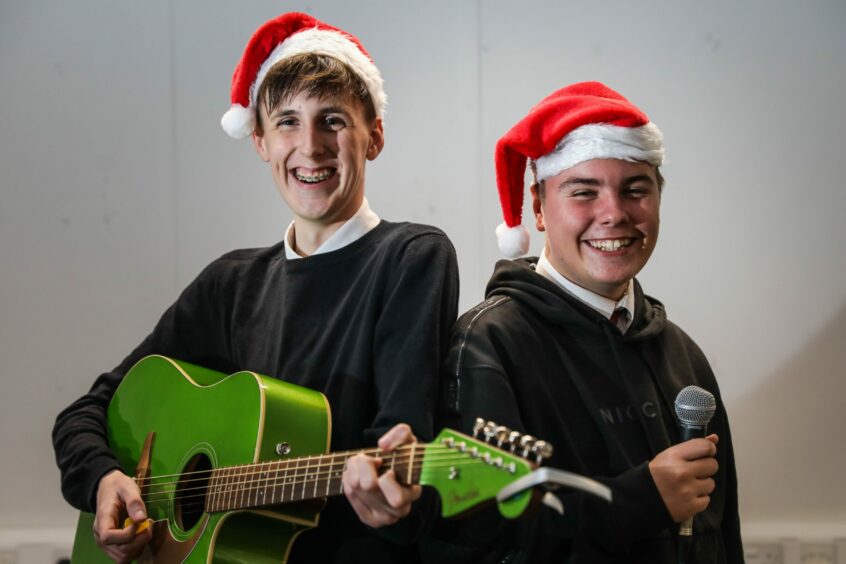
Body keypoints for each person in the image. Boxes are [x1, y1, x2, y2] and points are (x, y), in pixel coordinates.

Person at [52, 12, 459, 563]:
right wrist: (103, 480)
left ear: (375, 137)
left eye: (333, 120)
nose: (310, 146)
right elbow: (84, 414)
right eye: (287, 121)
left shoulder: (411, 258)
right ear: (261, 142)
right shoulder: (232, 285)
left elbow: (400, 442)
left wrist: (392, 494)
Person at [428, 82, 742, 563]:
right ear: (537, 206)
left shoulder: (684, 355)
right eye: (584, 192)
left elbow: (721, 533)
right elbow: (479, 542)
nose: (614, 214)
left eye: (635, 190)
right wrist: (638, 502)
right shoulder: (488, 346)